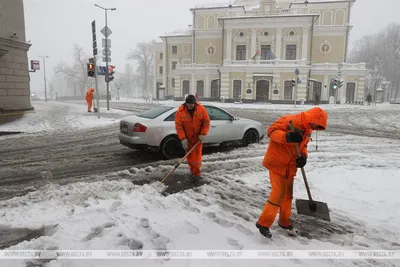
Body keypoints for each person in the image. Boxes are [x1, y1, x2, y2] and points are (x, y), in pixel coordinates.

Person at [256, 107, 328, 238]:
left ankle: (284, 222)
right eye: (314, 124)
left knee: (288, 195)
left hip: (290, 167)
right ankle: (263, 223)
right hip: (277, 162)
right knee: (278, 193)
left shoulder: (308, 130)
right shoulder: (290, 121)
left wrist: (304, 157)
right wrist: (287, 136)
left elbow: (304, 147)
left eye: (318, 126)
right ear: (310, 119)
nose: (315, 127)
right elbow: (271, 131)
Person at [175, 94, 210, 180]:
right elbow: (179, 127)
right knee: (189, 157)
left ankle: (197, 174)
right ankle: (192, 171)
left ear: (195, 103)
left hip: (198, 139)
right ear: (186, 103)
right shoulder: (180, 112)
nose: (190, 105)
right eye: (188, 104)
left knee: (196, 158)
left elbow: (206, 122)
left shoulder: (201, 109)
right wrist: (183, 139)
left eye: (192, 104)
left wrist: (203, 133)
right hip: (187, 139)